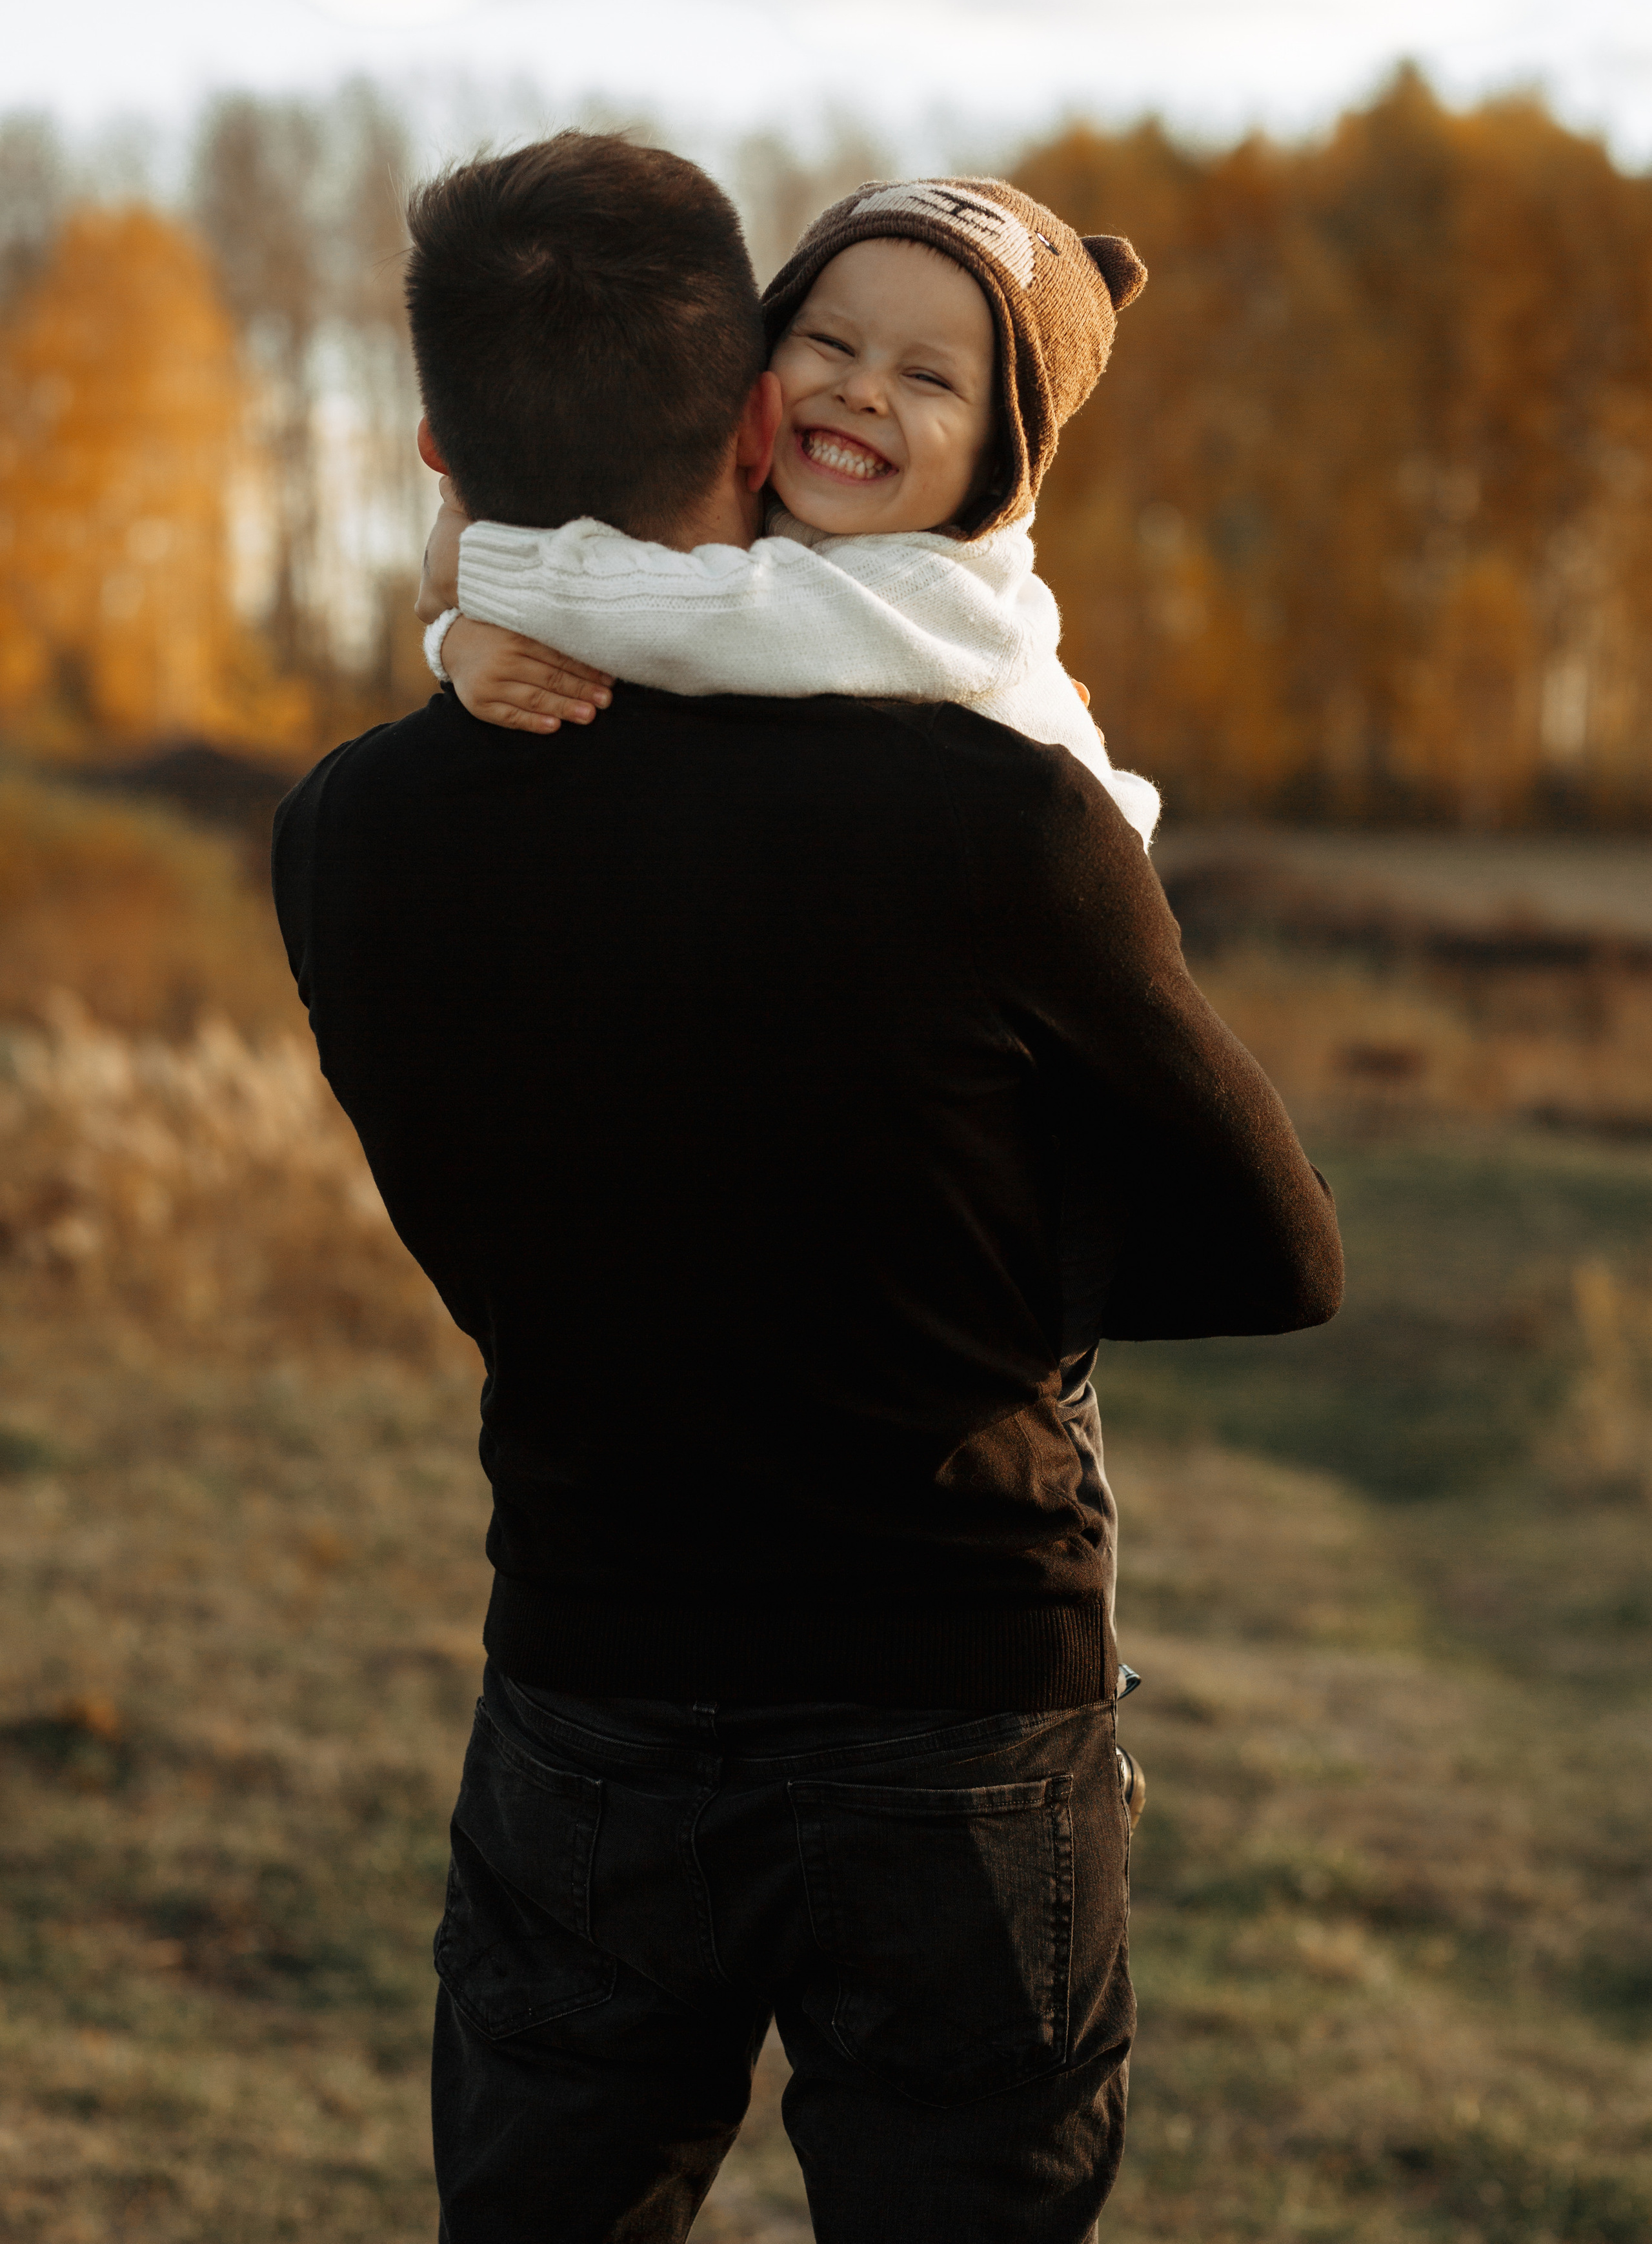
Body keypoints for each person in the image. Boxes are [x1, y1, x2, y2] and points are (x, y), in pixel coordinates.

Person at [271, 130, 1342, 2244]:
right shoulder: (1005, 816)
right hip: (956, 1689)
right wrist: (977, 1279)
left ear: (433, 449)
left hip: (587, 1671)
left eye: (926, 373)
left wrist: (462, 633)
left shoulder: (350, 832)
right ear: (759, 412)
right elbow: (1278, 1254)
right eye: (833, 350)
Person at [415, 174, 1160, 843]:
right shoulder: (799, 519)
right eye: (831, 341)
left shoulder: (938, 589)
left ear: (1002, 462)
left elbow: (707, 619)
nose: (861, 391)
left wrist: (481, 567)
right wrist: (459, 644)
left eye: (928, 378)